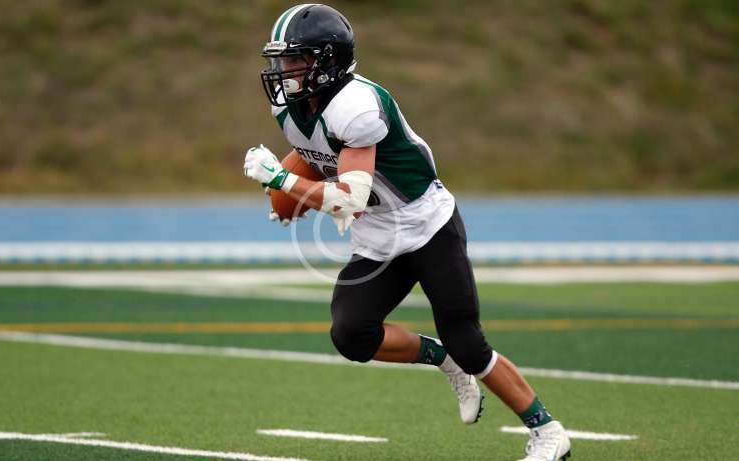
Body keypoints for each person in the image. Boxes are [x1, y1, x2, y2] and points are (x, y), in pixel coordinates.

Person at [243, 4, 571, 460]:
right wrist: (291, 187)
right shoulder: (290, 105)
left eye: (296, 60)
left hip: (426, 224)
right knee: (351, 333)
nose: (284, 71)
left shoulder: (358, 106)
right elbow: (313, 148)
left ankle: (547, 431)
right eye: (282, 60)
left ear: (327, 61)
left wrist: (282, 180)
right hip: (378, 235)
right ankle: (442, 358)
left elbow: (350, 199)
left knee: (468, 342)